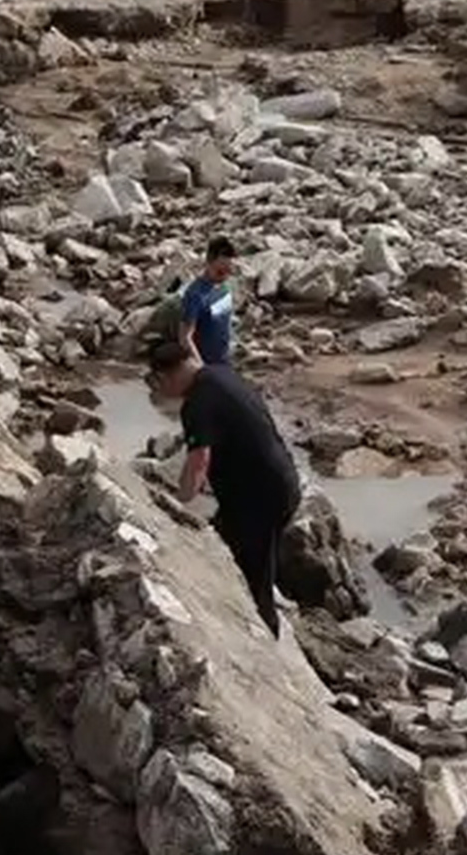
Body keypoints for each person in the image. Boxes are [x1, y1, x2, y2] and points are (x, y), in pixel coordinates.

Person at [147, 340, 302, 636]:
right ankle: (232, 621)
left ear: (166, 376)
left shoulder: (197, 404)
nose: (161, 394)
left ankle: (264, 646)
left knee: (254, 577)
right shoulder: (222, 374)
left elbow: (198, 462)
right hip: (277, 482)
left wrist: (175, 505)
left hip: (260, 500)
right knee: (221, 548)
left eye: (157, 385)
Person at [179, 236, 239, 366]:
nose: (225, 275)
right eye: (220, 271)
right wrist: (201, 367)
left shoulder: (225, 287)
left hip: (225, 361)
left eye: (229, 270)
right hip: (205, 364)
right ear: (208, 262)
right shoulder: (195, 295)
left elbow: (226, 319)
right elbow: (185, 338)